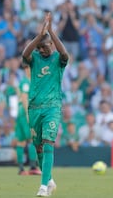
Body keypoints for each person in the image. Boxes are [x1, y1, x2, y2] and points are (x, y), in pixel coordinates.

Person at [22, 12, 69, 197]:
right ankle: (48, 180)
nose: (41, 50)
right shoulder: (34, 59)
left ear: (51, 45)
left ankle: (42, 188)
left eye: (44, 46)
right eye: (39, 47)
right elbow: (25, 54)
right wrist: (39, 36)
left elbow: (64, 53)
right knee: (39, 148)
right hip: (34, 108)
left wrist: (51, 31)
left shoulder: (58, 59)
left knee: (48, 143)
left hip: (52, 107)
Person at [15, 71, 41, 176]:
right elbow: (25, 97)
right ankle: (33, 167)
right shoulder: (26, 82)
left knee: (21, 141)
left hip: (20, 113)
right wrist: (28, 113)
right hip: (26, 113)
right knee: (32, 139)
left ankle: (21, 169)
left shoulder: (24, 82)